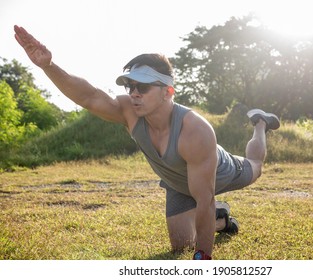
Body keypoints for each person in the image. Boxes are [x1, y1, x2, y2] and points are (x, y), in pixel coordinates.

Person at [14, 25, 280, 260]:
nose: (134, 94)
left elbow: (205, 199)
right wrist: (48, 66)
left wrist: (203, 258)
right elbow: (89, 97)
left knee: (255, 166)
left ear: (167, 91)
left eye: (143, 88)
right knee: (180, 246)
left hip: (219, 174)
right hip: (177, 183)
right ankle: (222, 220)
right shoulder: (129, 111)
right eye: (130, 86)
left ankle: (260, 124)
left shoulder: (195, 131)